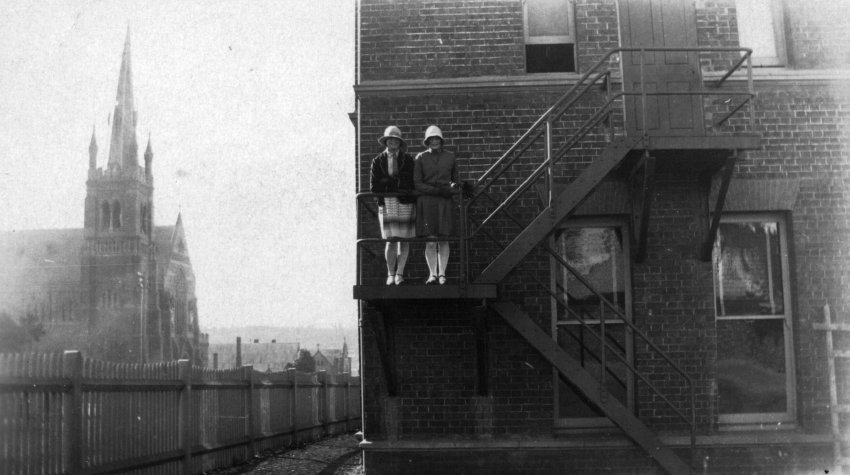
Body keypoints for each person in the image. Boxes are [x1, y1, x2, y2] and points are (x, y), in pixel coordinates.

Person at [370, 126, 416, 285]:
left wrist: (392, 184)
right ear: (385, 142)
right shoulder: (377, 161)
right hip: (387, 202)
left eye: (396, 139)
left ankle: (400, 274)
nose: (392, 142)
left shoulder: (408, 160)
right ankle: (390, 274)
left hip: (404, 201)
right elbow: (374, 186)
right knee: (391, 239)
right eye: (390, 139)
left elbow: (410, 182)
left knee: (404, 239)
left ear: (399, 142)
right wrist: (392, 186)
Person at [414, 125, 460, 285]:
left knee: (444, 239)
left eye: (437, 139)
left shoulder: (450, 157)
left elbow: (456, 180)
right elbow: (417, 183)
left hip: (444, 202)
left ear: (441, 140)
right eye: (431, 139)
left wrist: (453, 187)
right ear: (427, 141)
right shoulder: (420, 158)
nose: (434, 141)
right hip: (427, 203)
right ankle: (432, 274)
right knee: (431, 240)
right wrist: (436, 191)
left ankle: (442, 274)